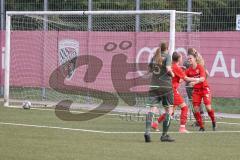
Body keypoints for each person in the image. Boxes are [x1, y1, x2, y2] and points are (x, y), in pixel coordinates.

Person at [144, 42, 175, 142]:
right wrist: (172, 74)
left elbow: (149, 70)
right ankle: (164, 135)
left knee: (152, 109)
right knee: (169, 111)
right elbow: (168, 69)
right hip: (165, 86)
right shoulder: (168, 56)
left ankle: (147, 132)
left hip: (154, 86)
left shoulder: (154, 57)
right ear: (167, 48)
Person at [185, 50, 216, 131]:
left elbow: (202, 78)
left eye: (190, 58)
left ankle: (213, 121)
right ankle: (202, 126)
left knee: (208, 108)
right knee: (195, 109)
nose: (189, 60)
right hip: (196, 91)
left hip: (205, 89)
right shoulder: (188, 70)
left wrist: (194, 82)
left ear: (195, 59)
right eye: (188, 59)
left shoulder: (200, 67)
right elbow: (183, 77)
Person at [171, 51, 200, 133]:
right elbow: (186, 79)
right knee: (184, 108)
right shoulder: (176, 68)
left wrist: (183, 72)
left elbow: (179, 80)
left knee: (170, 111)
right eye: (181, 57)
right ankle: (182, 128)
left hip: (169, 90)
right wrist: (197, 79)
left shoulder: (172, 66)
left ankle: (155, 123)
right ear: (179, 59)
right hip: (172, 91)